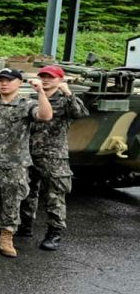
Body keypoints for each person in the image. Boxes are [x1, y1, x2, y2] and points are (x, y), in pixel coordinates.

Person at [0, 68, 53, 257]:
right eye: (0, 80)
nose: (4, 83)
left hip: (15, 162)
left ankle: (7, 236)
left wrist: (40, 92)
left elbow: (46, 116)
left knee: (12, 201)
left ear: (19, 82)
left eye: (8, 80)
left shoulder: (26, 104)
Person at [20, 65, 88, 250]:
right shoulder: (34, 98)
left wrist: (68, 93)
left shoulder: (66, 100)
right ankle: (25, 225)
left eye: (51, 77)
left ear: (60, 79)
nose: (46, 79)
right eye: (43, 76)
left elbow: (80, 114)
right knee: (27, 192)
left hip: (54, 156)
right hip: (29, 153)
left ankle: (54, 233)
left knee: (54, 196)